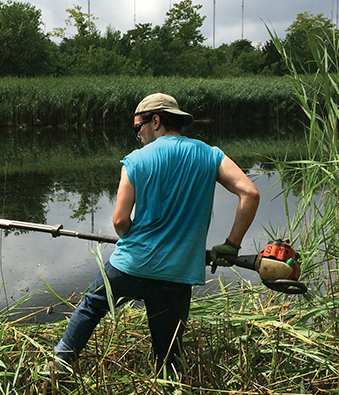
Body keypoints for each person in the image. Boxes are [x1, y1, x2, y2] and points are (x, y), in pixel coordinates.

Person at [50, 93, 260, 376]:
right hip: (178, 273)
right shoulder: (211, 155)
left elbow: (120, 220)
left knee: (91, 306)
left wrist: (132, 236)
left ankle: (59, 365)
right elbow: (249, 193)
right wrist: (232, 245)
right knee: (168, 351)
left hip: (132, 266)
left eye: (138, 128)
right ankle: (169, 391)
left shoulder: (136, 160)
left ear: (156, 121)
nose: (137, 136)